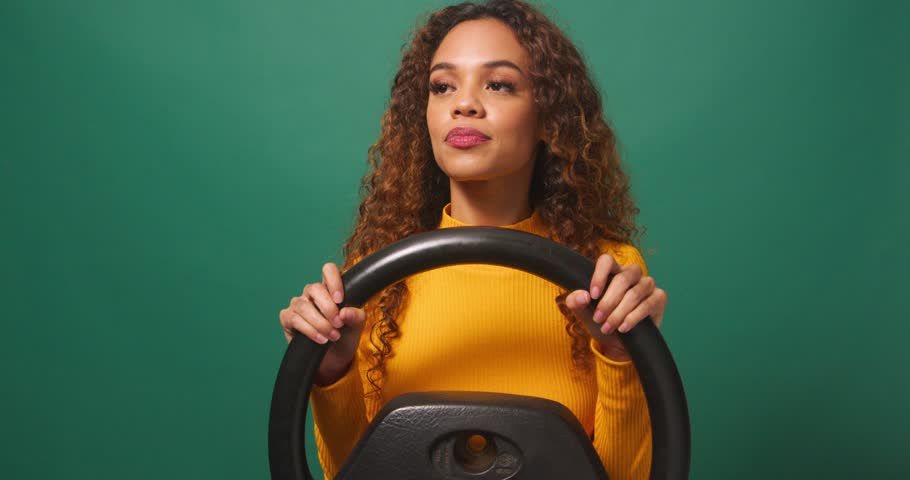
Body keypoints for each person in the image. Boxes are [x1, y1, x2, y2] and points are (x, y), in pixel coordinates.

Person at [278, 1, 669, 478]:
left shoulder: (606, 273)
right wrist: (331, 372)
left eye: (499, 84)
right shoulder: (375, 274)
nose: (463, 104)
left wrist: (620, 355)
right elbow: (355, 473)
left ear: (549, 117)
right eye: (443, 86)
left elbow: (624, 475)